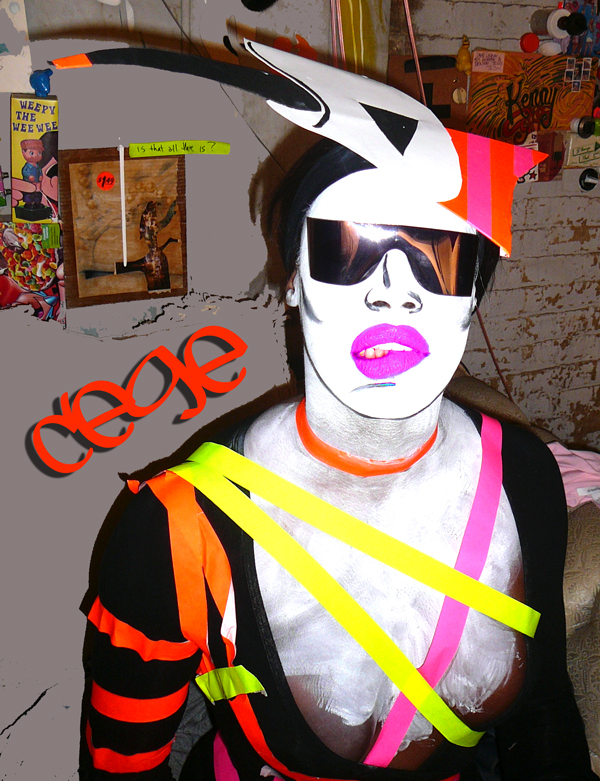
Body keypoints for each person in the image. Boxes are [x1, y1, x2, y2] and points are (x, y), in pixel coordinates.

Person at [64, 45, 597, 781]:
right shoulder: (174, 530)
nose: (393, 290)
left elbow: (542, 712)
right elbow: (120, 767)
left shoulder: (521, 474)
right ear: (292, 282)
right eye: (348, 248)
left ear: (473, 294)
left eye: (438, 256)